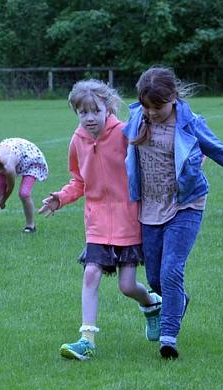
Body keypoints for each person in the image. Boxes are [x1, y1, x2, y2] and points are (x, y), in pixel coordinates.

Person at [123, 67, 223, 359]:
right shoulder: (137, 118)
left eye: (157, 107)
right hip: (149, 209)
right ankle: (178, 300)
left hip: (186, 205)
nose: (151, 113)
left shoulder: (190, 124)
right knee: (156, 278)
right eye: (146, 106)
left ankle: (168, 338)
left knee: (172, 270)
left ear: (172, 97)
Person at [38, 80, 162, 361]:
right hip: (96, 224)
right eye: (83, 113)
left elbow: (151, 157)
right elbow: (79, 180)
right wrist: (60, 197)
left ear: (108, 107)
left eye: (95, 110)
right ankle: (87, 340)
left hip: (128, 221)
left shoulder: (124, 134)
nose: (89, 118)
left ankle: (152, 303)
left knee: (127, 286)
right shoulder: (77, 140)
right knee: (91, 273)